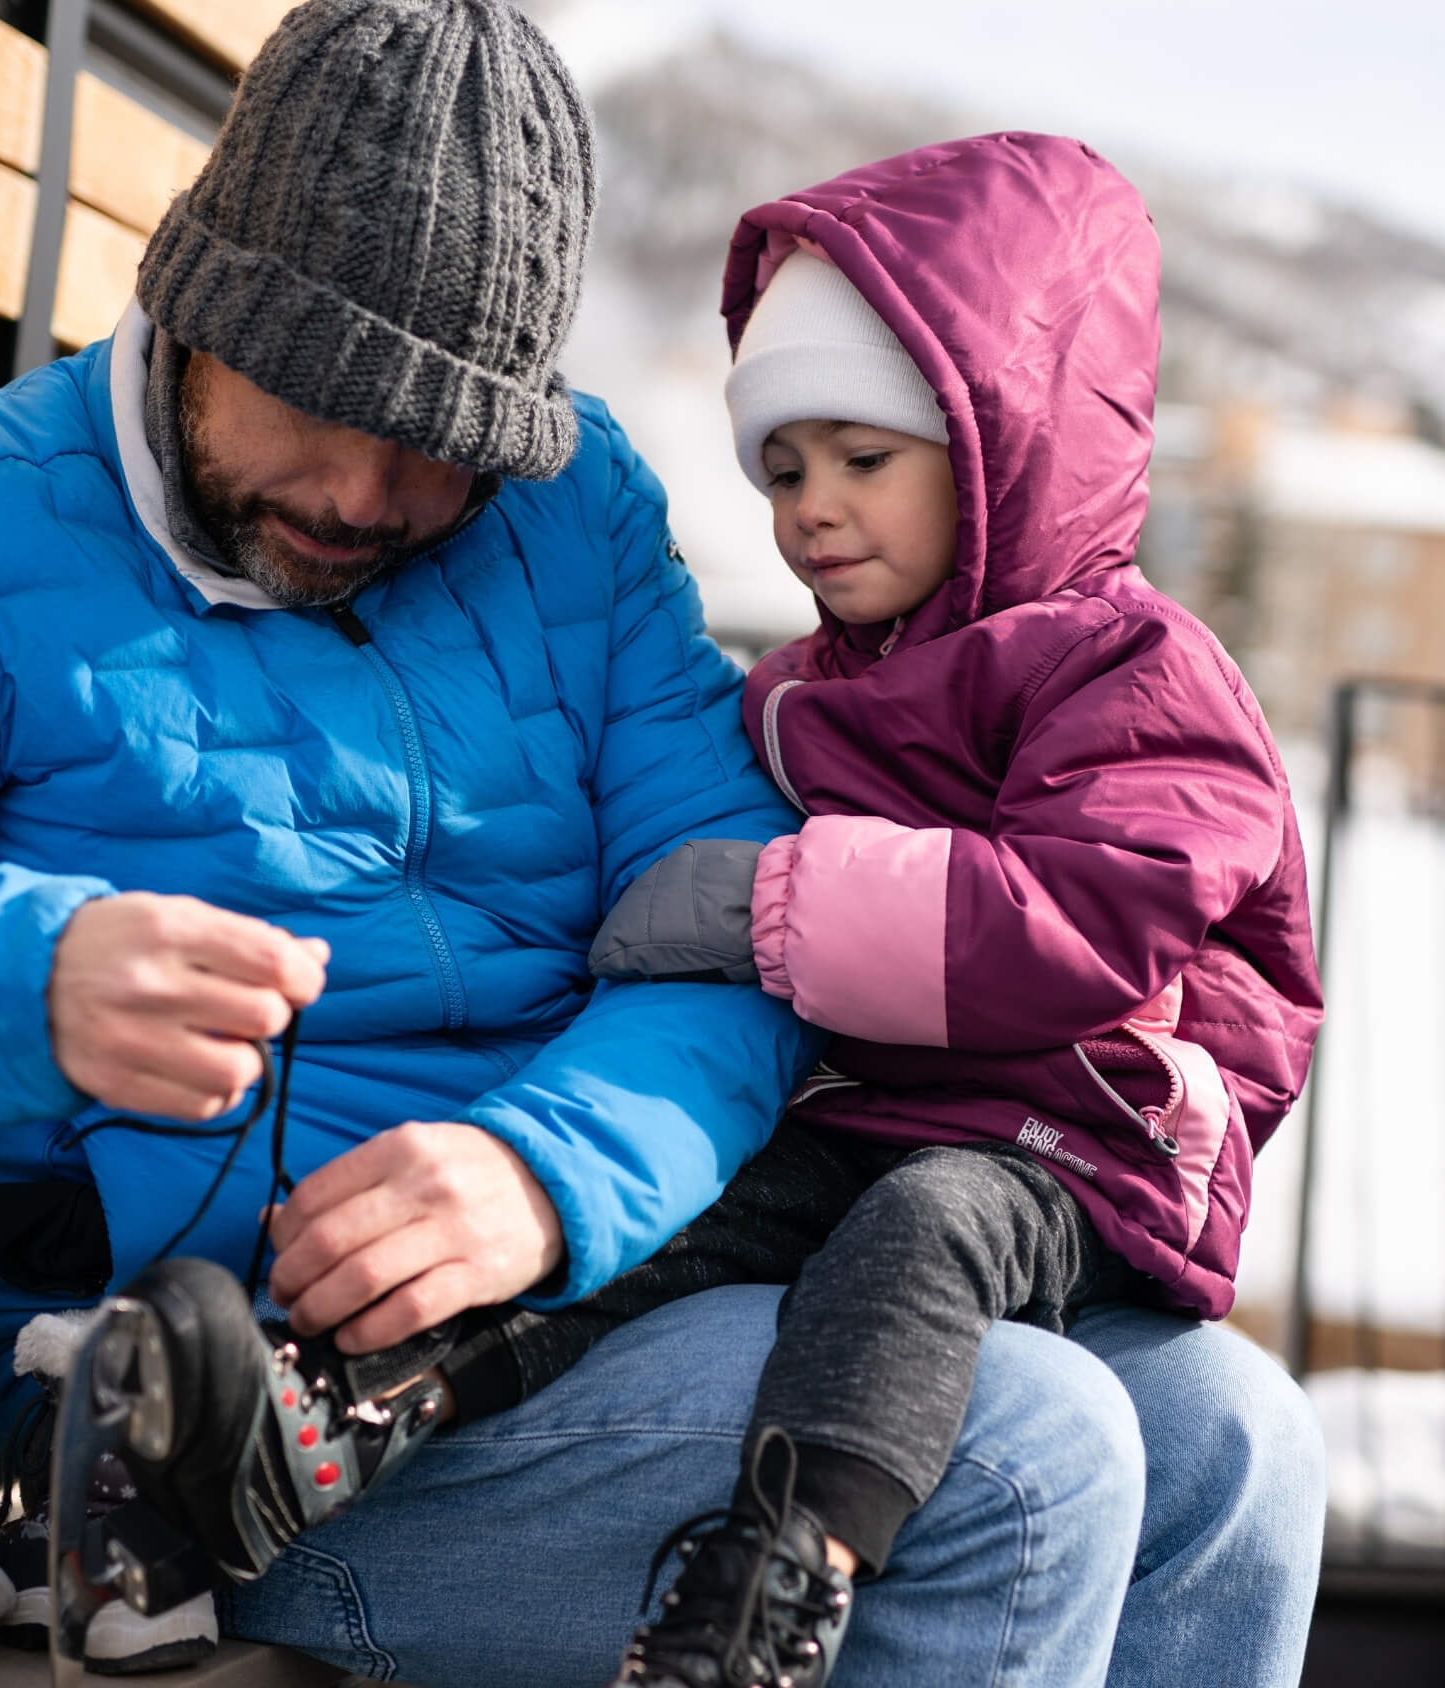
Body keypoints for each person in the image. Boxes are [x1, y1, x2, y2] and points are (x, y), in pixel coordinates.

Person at [0, 2, 1324, 1682]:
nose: (371, 495)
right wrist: (10, 983)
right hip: (236, 1398)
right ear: (205, 300)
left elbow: (727, 930)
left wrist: (547, 1173)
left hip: (604, 1273)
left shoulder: (566, 508)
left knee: (1232, 1437)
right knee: (1022, 1452)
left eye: (441, 444)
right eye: (324, 404)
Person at [560, 132, 1327, 1685]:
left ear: (995, 448)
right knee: (703, 1202)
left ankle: (786, 1570)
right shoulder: (804, 690)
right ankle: (409, 1396)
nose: (811, 510)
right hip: (895, 1102)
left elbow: (1090, 918)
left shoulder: (1131, 667)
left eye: (864, 457)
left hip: (1097, 1124)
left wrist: (770, 903)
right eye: (781, 468)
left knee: (929, 1227)